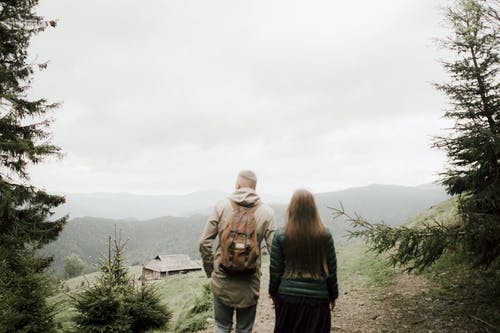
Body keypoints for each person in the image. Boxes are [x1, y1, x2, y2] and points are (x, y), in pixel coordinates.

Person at [199, 170, 276, 333]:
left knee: (222, 326)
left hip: (222, 280)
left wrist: (211, 271)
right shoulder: (267, 213)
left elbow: (204, 242)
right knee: (244, 329)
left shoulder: (221, 206)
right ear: (255, 188)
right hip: (249, 284)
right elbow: (275, 251)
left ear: (237, 186)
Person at [269, 189, 338, 333]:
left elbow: (275, 270)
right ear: (314, 209)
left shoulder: (281, 235)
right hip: (318, 300)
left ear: (291, 208)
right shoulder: (325, 235)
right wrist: (333, 295)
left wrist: (273, 294)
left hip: (288, 299)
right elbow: (331, 270)